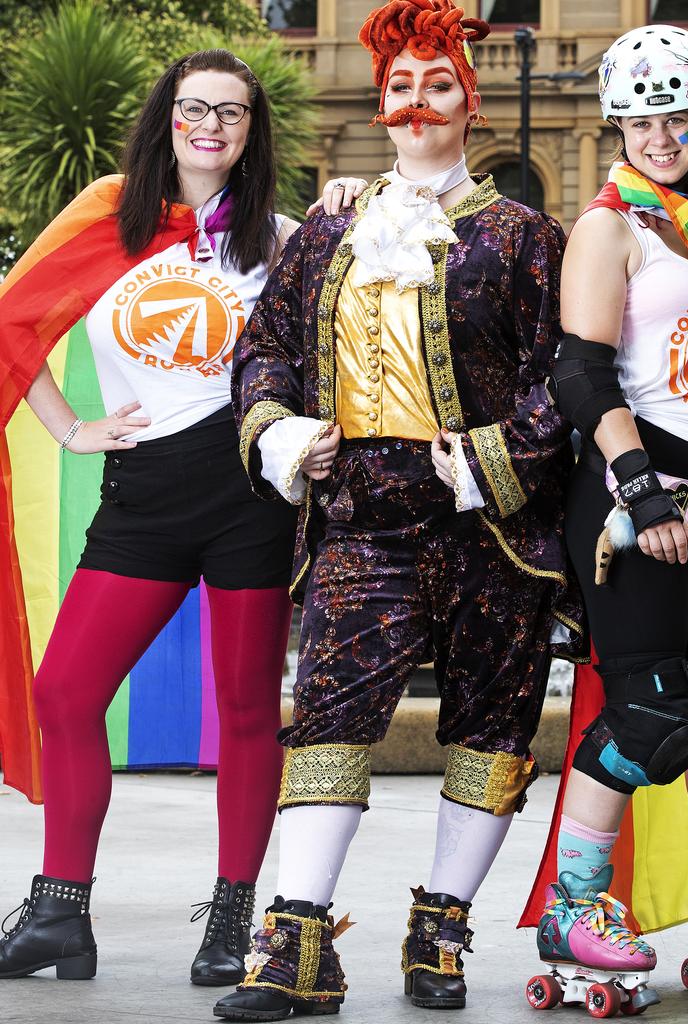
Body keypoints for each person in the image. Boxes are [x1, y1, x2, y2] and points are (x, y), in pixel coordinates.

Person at [214, 3, 585, 1019]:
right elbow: (266, 349)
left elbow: (571, 375)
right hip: (360, 515)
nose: (418, 104)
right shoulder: (331, 226)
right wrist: (281, 431)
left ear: (468, 101)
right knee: (331, 717)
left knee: (490, 728)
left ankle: (442, 930)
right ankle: (296, 941)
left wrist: (501, 455)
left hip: (489, 525)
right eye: (402, 87)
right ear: (381, 102)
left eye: (438, 85)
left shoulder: (522, 236)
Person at [0, 48, 364, 986]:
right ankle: (60, 913)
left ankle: (231, 921)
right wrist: (71, 427)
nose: (211, 126)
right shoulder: (105, 214)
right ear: (167, 115)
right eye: (194, 108)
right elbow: (13, 320)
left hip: (249, 499)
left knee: (246, 711)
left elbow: (354, 320)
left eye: (232, 114)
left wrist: (350, 207)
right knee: (66, 694)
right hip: (143, 502)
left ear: (252, 132)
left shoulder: (281, 238)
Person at [529, 25, 688, 1012]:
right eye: (639, 117)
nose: (659, 135)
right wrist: (641, 489)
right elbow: (581, 374)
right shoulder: (608, 225)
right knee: (651, 714)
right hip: (639, 490)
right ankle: (574, 908)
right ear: (615, 122)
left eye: (675, 114)